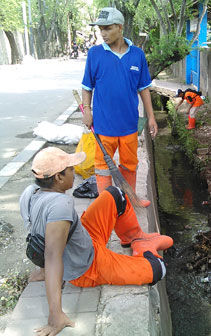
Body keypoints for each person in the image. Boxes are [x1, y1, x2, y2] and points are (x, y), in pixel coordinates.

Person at [20, 147, 173, 335]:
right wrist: (55, 316)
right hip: (89, 266)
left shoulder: (30, 192)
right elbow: (52, 255)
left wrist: (42, 269)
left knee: (116, 195)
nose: (74, 173)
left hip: (84, 238)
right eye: (70, 170)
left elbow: (37, 236)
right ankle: (146, 254)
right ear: (58, 178)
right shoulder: (60, 206)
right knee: (159, 268)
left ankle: (135, 238)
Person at [81, 7, 158, 207]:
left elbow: (144, 89)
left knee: (130, 166)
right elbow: (87, 86)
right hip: (104, 125)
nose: (103, 33)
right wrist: (87, 110)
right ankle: (105, 206)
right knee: (103, 167)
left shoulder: (137, 55)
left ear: (120, 27)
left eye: (107, 28)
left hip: (129, 124)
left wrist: (151, 117)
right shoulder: (95, 54)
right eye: (100, 29)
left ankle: (130, 200)